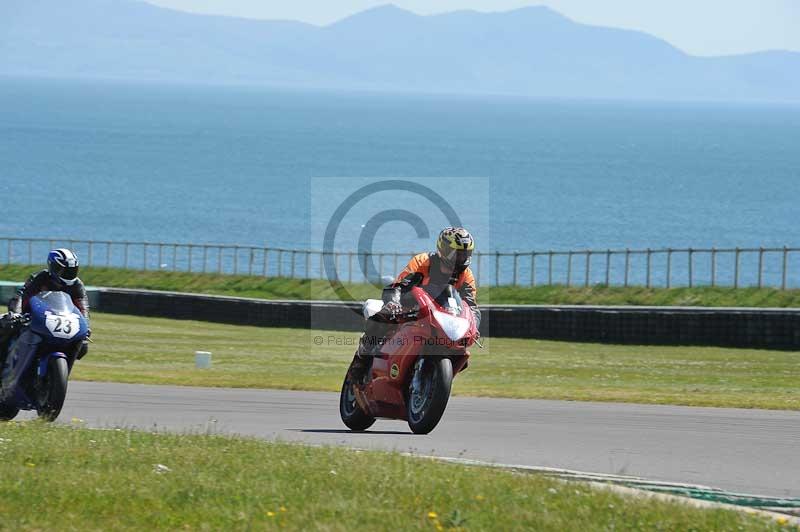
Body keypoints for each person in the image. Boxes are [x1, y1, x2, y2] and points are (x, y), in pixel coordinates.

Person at [349, 227, 480, 380]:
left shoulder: (466, 275)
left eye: (465, 254)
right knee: (381, 318)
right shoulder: (423, 262)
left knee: (461, 356)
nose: (461, 258)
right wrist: (394, 302)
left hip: (442, 318)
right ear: (443, 249)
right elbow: (399, 286)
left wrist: (473, 326)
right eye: (456, 253)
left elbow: (470, 307)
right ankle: (361, 359)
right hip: (410, 308)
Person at [1, 249, 91, 365]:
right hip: (32, 319)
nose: (68, 273)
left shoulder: (77, 285)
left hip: (62, 323)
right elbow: (21, 296)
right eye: (64, 270)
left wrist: (86, 327)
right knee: (5, 324)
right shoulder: (41, 278)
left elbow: (83, 307)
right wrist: (17, 314)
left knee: (82, 345)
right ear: (53, 267)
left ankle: (61, 372)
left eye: (72, 270)